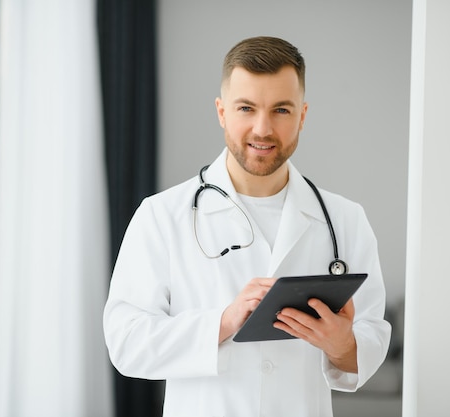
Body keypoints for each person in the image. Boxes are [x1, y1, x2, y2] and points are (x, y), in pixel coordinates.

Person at [103, 36, 391, 417]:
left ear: (303, 115)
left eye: (281, 110)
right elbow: (126, 343)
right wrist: (221, 323)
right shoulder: (162, 215)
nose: (262, 128)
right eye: (246, 108)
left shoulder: (345, 219)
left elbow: (369, 333)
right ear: (222, 112)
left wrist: (342, 345)